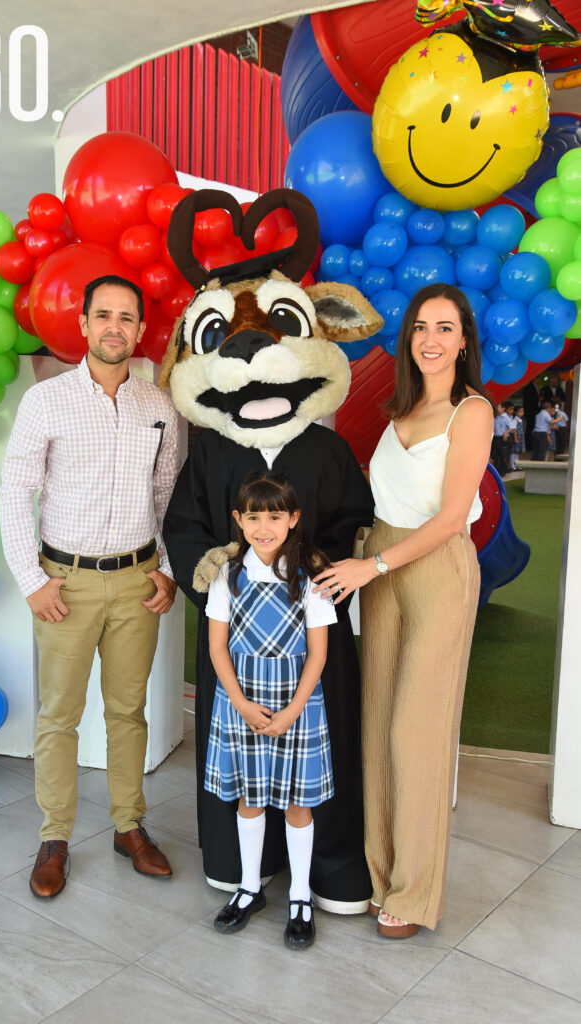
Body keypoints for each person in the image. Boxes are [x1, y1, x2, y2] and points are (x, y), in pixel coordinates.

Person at [313, 282, 494, 938]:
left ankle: (415, 894)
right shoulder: (399, 410)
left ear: (463, 341)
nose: (431, 339)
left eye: (445, 328)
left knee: (414, 735)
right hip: (381, 566)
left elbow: (450, 520)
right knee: (374, 726)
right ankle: (379, 870)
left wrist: (373, 565)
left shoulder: (470, 412)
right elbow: (374, 504)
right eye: (421, 326)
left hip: (434, 571)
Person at [0, 274, 180, 899]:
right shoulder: (46, 402)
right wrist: (31, 581)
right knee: (59, 717)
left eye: (126, 318)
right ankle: (54, 838)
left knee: (128, 712)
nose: (114, 327)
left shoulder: (159, 406)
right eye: (103, 315)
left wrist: (168, 569)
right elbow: (14, 493)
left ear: (138, 329)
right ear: (82, 324)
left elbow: (167, 496)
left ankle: (129, 825)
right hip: (64, 585)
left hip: (136, 583)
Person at [205, 471, 337, 950]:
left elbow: (318, 655)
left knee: (298, 804)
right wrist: (239, 703)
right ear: (239, 521)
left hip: (296, 704)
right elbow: (218, 647)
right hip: (242, 702)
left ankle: (300, 897)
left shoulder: (309, 578)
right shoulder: (228, 575)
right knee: (250, 797)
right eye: (254, 516)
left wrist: (292, 711)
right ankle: (249, 887)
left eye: (275, 516)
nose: (265, 526)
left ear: (293, 519)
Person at [491, 402, 514, 476]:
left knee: (504, 456)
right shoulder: (496, 417)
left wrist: (505, 433)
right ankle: (496, 471)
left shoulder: (506, 418)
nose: (497, 409)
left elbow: (512, 428)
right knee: (495, 455)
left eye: (498, 407)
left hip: (503, 439)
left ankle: (502, 471)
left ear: (503, 408)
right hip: (496, 438)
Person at [511, 405, 526, 469]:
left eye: (522, 411)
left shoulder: (520, 420)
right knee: (514, 451)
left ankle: (517, 464)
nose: (522, 413)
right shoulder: (515, 420)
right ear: (516, 412)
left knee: (518, 452)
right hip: (517, 436)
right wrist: (516, 438)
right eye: (520, 411)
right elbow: (514, 430)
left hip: (521, 437)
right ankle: (513, 465)